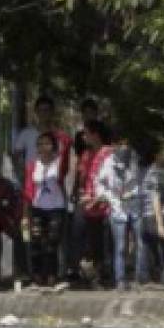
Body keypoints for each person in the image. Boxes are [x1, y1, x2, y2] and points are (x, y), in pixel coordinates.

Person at [96, 133, 143, 290]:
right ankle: (120, 279)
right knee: (121, 246)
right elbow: (100, 185)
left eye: (126, 144)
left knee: (139, 244)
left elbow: (140, 183)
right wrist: (109, 197)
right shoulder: (108, 163)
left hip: (134, 206)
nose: (124, 148)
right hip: (117, 207)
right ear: (114, 146)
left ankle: (139, 278)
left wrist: (133, 193)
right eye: (120, 144)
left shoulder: (135, 160)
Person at [22, 131, 68, 289]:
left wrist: (54, 130)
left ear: (53, 146)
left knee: (51, 243)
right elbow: (28, 189)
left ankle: (51, 277)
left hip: (56, 208)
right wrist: (25, 213)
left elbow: (67, 143)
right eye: (40, 144)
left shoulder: (59, 163)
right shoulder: (33, 165)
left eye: (47, 143)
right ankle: (36, 278)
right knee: (35, 242)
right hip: (37, 208)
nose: (43, 147)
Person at [76, 120, 113, 286]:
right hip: (90, 206)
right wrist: (83, 194)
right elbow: (85, 179)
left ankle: (106, 276)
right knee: (93, 243)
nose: (84, 137)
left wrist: (97, 198)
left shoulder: (109, 153)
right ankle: (95, 277)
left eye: (86, 133)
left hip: (105, 205)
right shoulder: (87, 154)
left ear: (95, 135)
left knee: (105, 243)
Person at [140, 141, 164, 289]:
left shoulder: (160, 172)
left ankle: (149, 278)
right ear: (156, 155)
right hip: (155, 215)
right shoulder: (154, 174)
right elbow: (155, 200)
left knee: (151, 247)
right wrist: (160, 224)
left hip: (151, 215)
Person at [13, 95, 74, 178]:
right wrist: (21, 174)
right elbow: (15, 155)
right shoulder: (26, 133)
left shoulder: (60, 136)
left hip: (53, 181)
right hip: (31, 182)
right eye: (40, 110)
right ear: (36, 112)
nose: (44, 113)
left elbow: (65, 161)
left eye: (47, 110)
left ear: (52, 111)